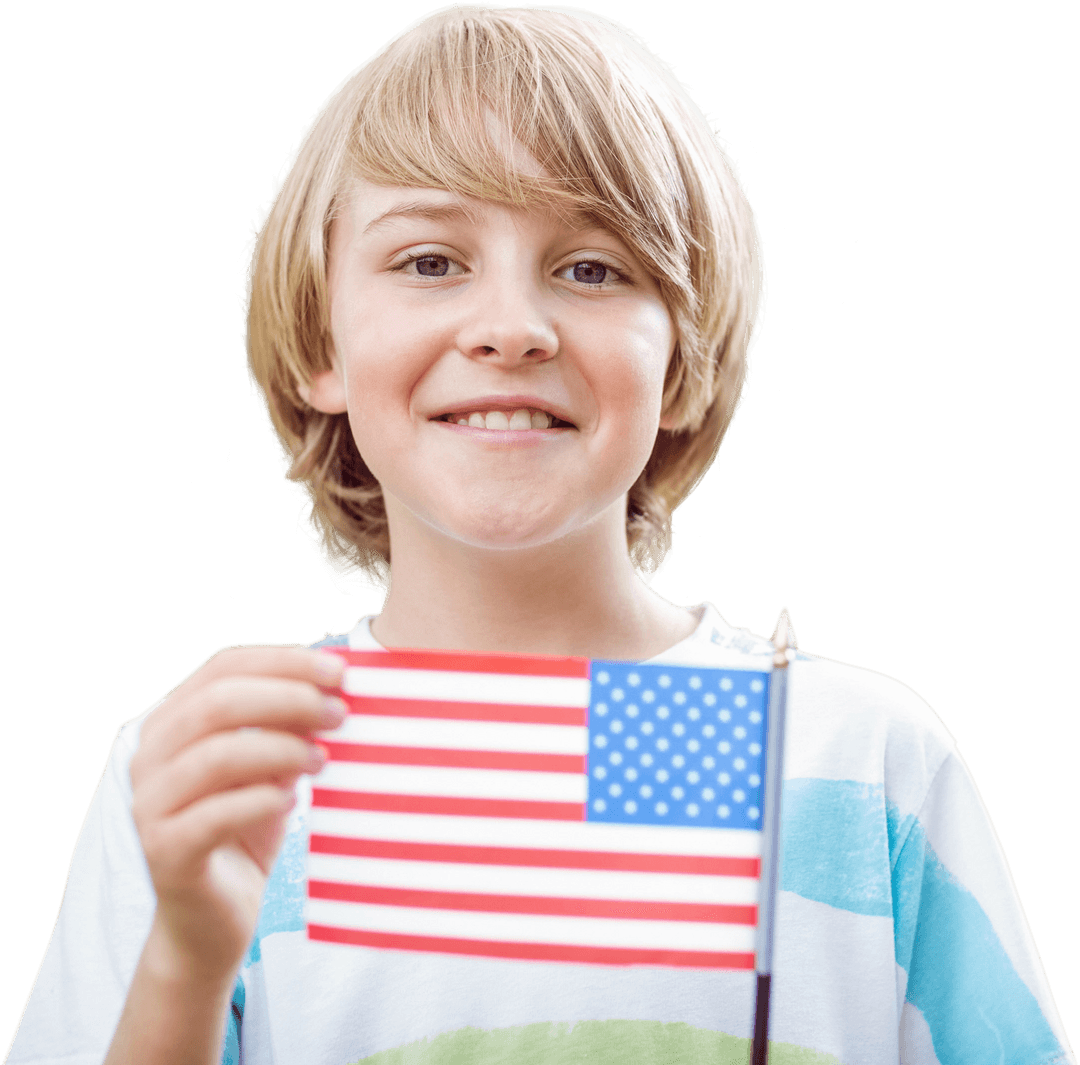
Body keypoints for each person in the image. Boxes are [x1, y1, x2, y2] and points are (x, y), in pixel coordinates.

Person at [5, 5, 1073, 1064]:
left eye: (592, 268)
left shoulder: (857, 758)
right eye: (430, 261)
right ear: (318, 344)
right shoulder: (210, 776)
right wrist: (188, 960)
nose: (512, 327)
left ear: (682, 365)